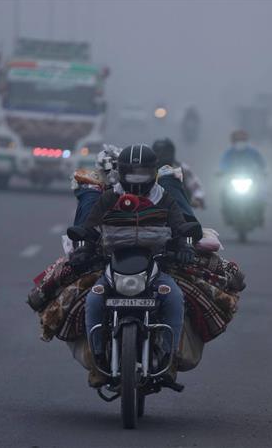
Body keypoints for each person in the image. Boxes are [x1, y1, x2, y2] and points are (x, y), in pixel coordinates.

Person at [71, 144, 197, 386]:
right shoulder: (109, 197)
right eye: (132, 174)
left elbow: (180, 226)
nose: (137, 180)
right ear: (122, 173)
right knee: (93, 299)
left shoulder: (165, 198)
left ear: (153, 173)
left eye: (142, 174)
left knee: (174, 298)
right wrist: (84, 249)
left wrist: (183, 248)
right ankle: (97, 361)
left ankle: (168, 359)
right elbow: (90, 225)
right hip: (113, 266)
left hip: (155, 267)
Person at [152, 138, 206, 210]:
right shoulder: (149, 170)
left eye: (166, 153)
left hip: (180, 209)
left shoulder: (181, 169)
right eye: (159, 152)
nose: (162, 155)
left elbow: (194, 185)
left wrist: (197, 198)